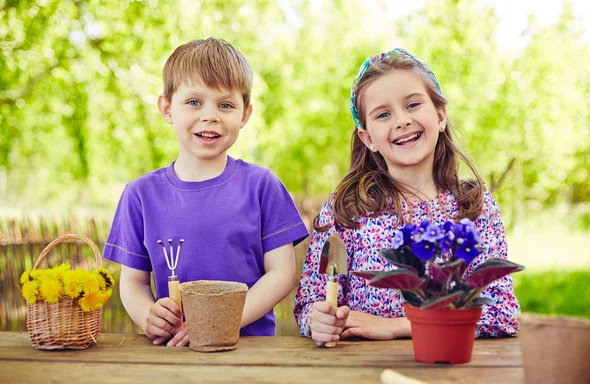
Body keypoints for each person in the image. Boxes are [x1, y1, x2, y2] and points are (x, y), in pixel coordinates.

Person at [294, 48, 520, 346]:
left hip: (451, 367)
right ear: (368, 138)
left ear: (440, 115)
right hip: (359, 373)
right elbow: (310, 301)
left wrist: (399, 325)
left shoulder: (473, 207)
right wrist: (318, 320)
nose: (401, 120)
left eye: (412, 105)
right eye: (383, 114)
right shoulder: (347, 209)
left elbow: (501, 313)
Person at [103, 38, 308, 346]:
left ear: (245, 115)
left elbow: (280, 275)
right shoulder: (140, 195)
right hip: (174, 352)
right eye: (194, 102)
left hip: (249, 350)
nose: (210, 115)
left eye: (225, 105)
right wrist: (148, 315)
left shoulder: (262, 186)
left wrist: (218, 322)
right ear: (167, 107)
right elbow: (133, 283)